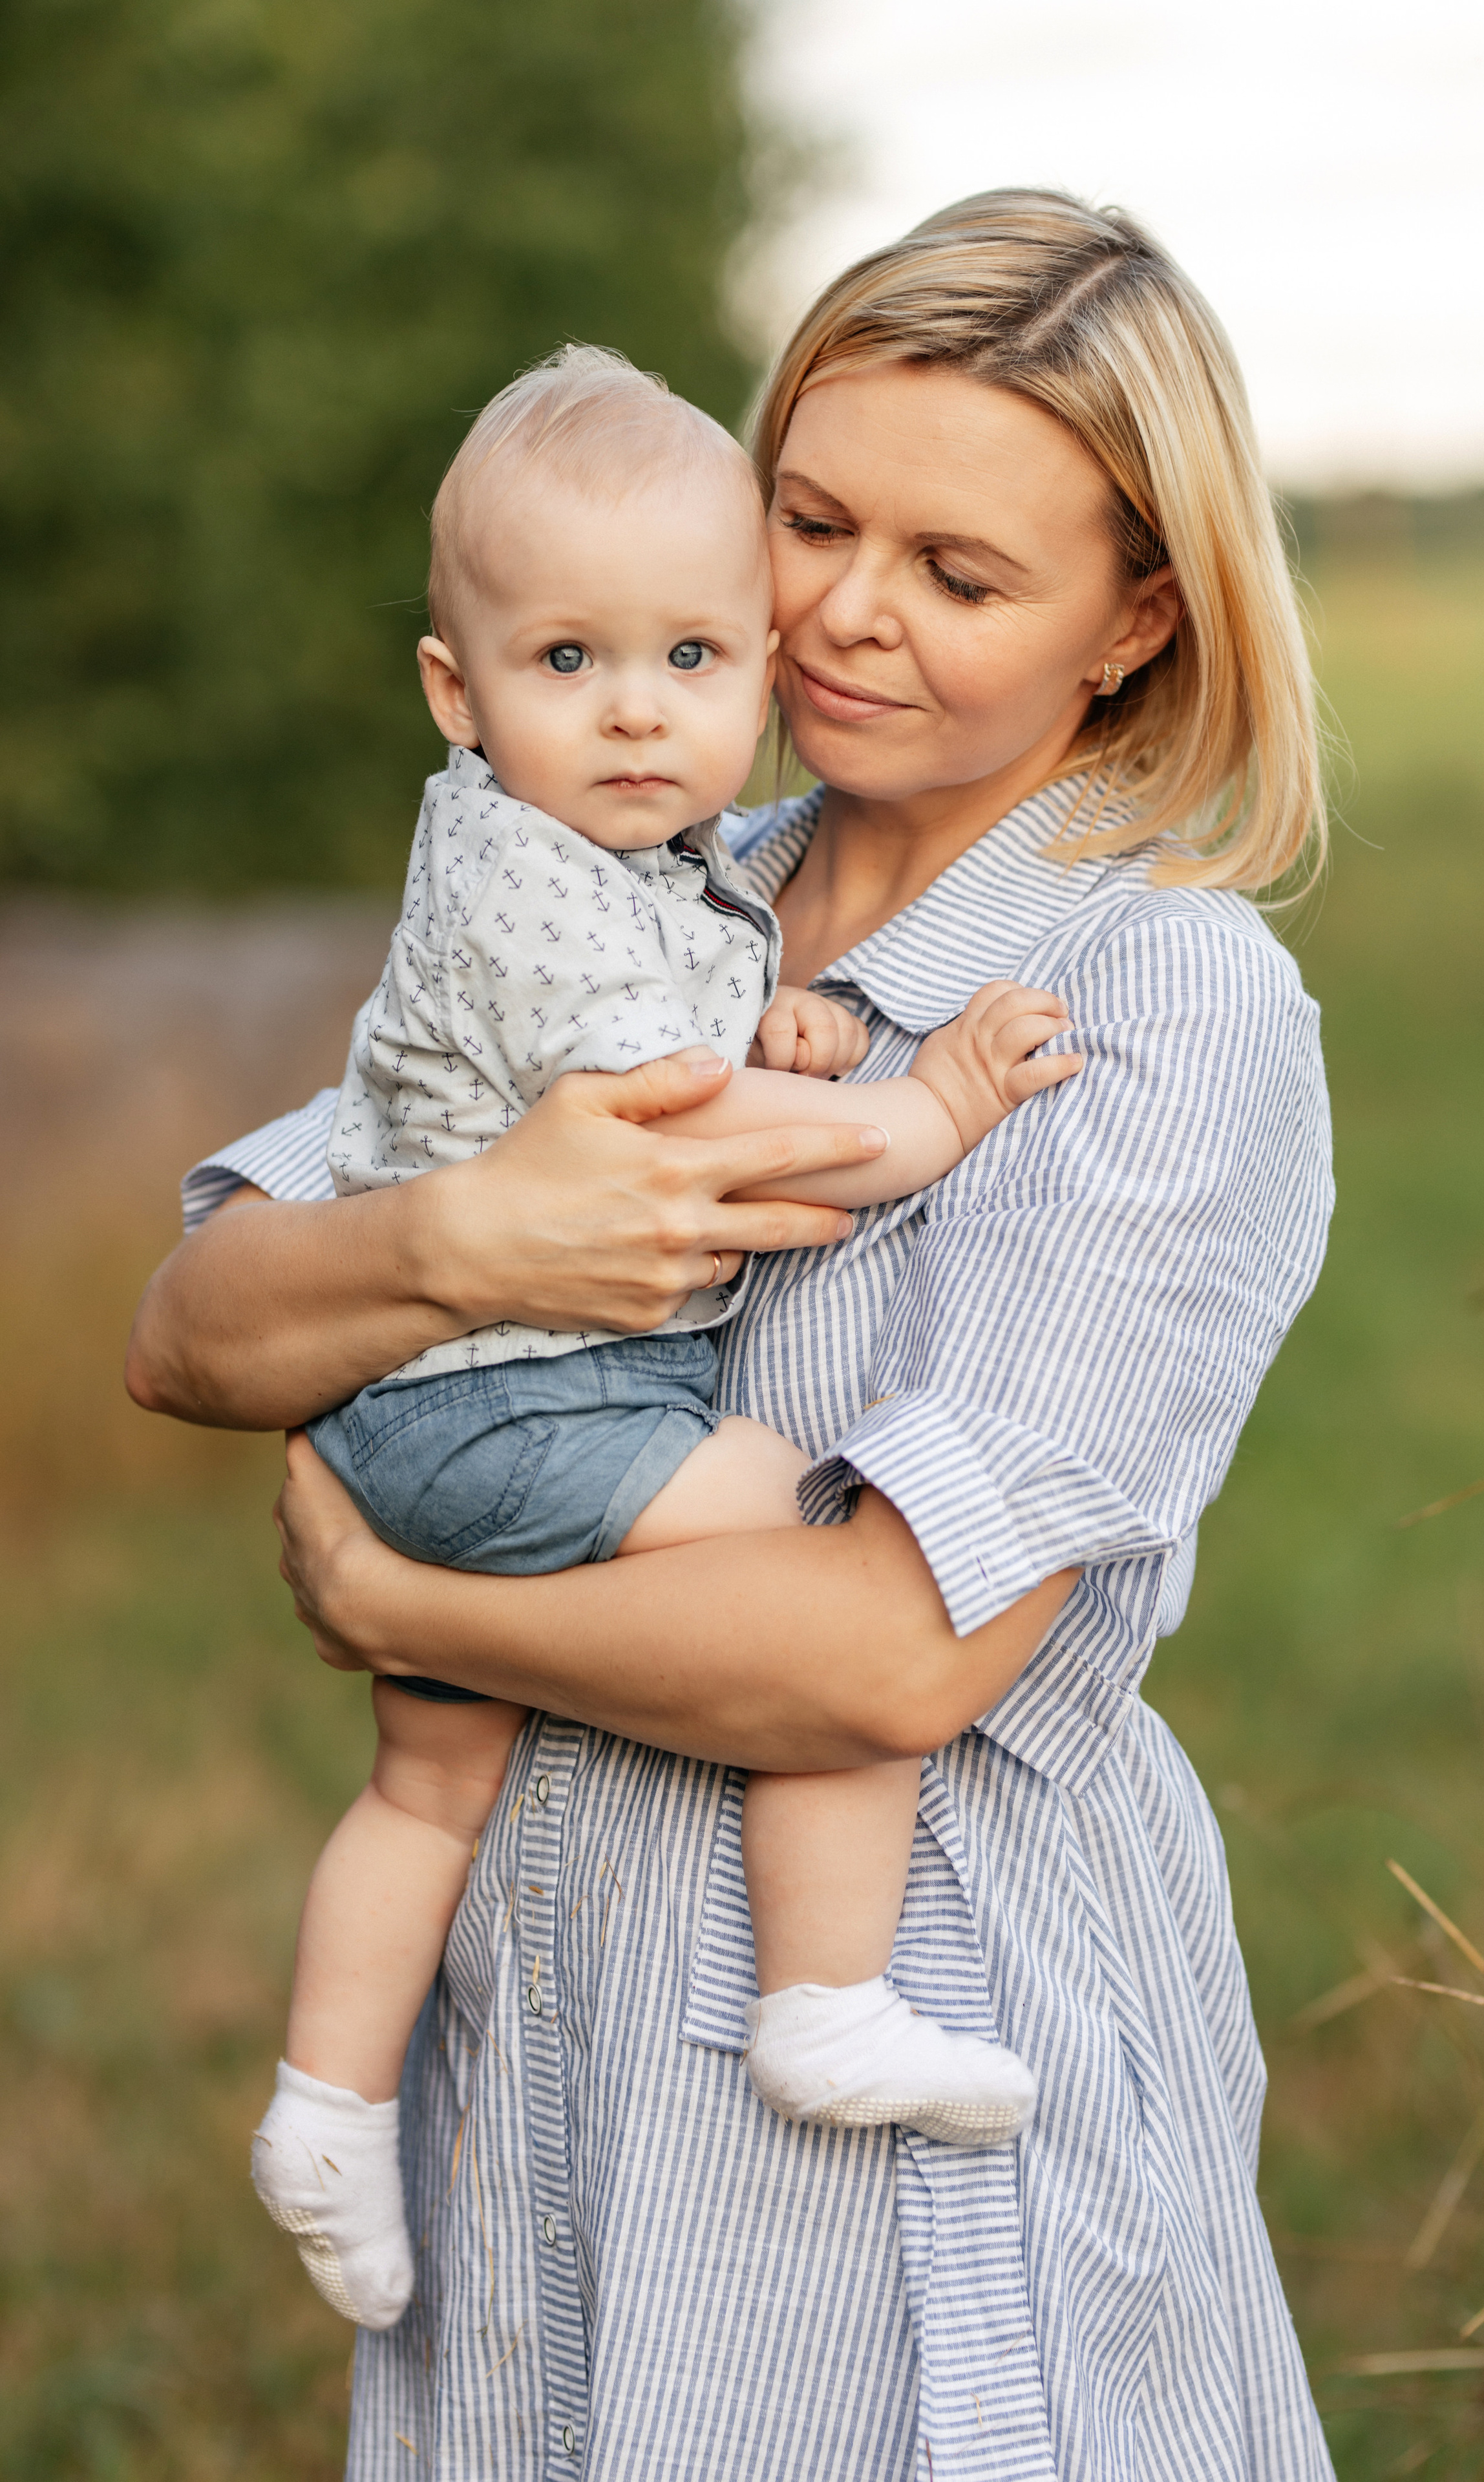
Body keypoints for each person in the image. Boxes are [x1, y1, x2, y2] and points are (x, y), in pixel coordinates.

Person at [128, 191, 1337, 2481]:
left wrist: (403, 1595)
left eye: (964, 576)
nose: (849, 615)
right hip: (544, 2072)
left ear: (1138, 620)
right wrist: (474, 1231)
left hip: (906, 2134)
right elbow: (198, 1327)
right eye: (810, 519)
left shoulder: (1161, 1005)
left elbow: (891, 1655)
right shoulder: (626, 872)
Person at [255, 342, 1074, 2334]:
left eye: (697, 659)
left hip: (432, 1408)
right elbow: (719, 1152)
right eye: (569, 665)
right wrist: (929, 1106)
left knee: (425, 1786)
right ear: (458, 694)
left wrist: (763, 1008)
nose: (639, 711)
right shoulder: (527, 886)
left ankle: (323, 2105)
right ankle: (823, 1997)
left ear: (755, 665)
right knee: (834, 1557)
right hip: (533, 1404)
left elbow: (693, 1013)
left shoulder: (611, 864)